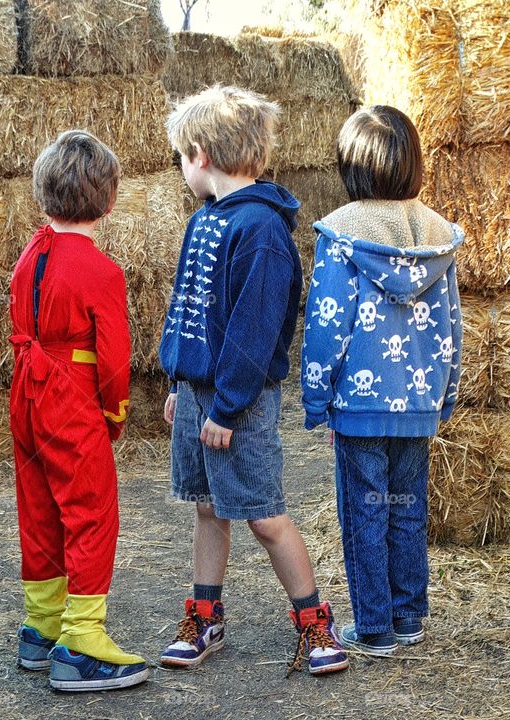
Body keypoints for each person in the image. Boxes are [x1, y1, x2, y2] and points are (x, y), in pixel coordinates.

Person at [158, 85, 349, 676]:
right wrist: (177, 380)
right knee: (209, 509)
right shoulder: (204, 222)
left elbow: (255, 328)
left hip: (236, 403)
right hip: (198, 396)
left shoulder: (262, 231)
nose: (182, 169)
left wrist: (228, 406)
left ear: (199, 153)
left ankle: (315, 624)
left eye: (180, 159)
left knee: (263, 514)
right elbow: (188, 307)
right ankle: (205, 615)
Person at [301, 105, 463, 656]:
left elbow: (327, 323)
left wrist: (316, 396)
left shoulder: (342, 234)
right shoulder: (438, 236)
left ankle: (373, 627)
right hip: (417, 401)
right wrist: (446, 395)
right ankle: (409, 616)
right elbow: (452, 325)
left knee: (366, 508)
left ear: (352, 166)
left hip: (359, 404)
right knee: (406, 507)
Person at [8, 129, 148, 691]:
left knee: (39, 509)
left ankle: (40, 629)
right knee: (90, 511)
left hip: (27, 394)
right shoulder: (101, 270)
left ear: (43, 194)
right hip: (71, 401)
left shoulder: (28, 258)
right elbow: (115, 357)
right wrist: (114, 414)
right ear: (109, 201)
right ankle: (82, 642)